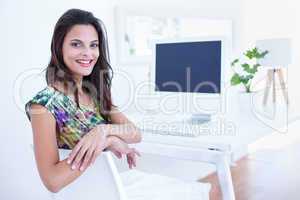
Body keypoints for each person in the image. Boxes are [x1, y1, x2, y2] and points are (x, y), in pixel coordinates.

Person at [25, 9, 142, 193]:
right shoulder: (44, 105)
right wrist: (106, 143)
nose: (88, 53)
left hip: (108, 189)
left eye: (93, 45)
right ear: (59, 47)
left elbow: (135, 133)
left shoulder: (94, 92)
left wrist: (104, 133)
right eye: (76, 44)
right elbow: (52, 181)